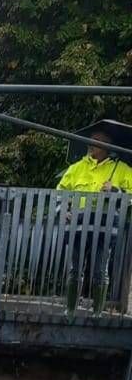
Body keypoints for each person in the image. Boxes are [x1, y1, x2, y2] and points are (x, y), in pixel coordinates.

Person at [55, 123, 132, 313]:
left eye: (96, 141)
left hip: (106, 225)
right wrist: (62, 210)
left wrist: (116, 190)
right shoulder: (76, 168)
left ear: (108, 146)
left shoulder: (122, 170)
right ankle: (70, 310)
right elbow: (60, 192)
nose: (90, 144)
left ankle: (97, 313)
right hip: (78, 224)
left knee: (100, 270)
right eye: (89, 140)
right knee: (75, 269)